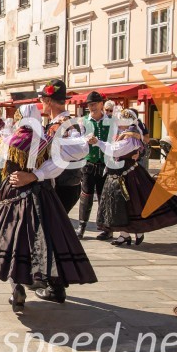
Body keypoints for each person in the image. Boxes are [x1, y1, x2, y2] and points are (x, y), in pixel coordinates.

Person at [0, 104, 97, 310]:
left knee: (11, 238)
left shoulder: (9, 141)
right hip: (42, 194)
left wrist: (2, 135)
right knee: (49, 237)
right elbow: (69, 157)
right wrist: (37, 174)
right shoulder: (48, 141)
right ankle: (53, 283)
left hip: (13, 192)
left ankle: (16, 287)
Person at [92, 109, 177, 246]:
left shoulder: (131, 136)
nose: (118, 122)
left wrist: (98, 142)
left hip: (128, 175)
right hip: (117, 174)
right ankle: (124, 234)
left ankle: (137, 231)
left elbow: (115, 150)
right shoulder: (125, 133)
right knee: (120, 205)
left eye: (121, 120)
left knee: (133, 204)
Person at [40, 79, 86, 213]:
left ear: (48, 101)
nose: (41, 104)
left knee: (53, 223)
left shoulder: (64, 124)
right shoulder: (62, 123)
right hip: (64, 183)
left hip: (62, 185)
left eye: (42, 100)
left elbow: (79, 150)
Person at [76, 91, 110, 240]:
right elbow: (77, 140)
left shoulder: (111, 121)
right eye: (90, 105)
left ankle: (107, 228)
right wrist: (84, 140)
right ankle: (81, 226)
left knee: (104, 196)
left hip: (105, 164)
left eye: (95, 104)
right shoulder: (83, 121)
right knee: (86, 195)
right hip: (89, 163)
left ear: (102, 104)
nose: (92, 107)